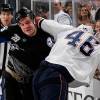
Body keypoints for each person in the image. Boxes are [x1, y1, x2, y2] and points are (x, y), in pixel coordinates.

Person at [32, 21, 100, 100]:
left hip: (39, 73)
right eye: (97, 27)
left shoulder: (69, 29)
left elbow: (39, 20)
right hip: (56, 77)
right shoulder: (97, 46)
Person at [0, 7, 56, 100]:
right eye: (22, 24)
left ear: (34, 20)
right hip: (10, 77)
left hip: (32, 81)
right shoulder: (12, 30)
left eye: (27, 22)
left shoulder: (46, 37)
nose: (26, 26)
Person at [0, 4, 14, 100]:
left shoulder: (17, 30)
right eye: (4, 14)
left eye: (8, 14)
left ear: (12, 16)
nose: (6, 17)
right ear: (0, 15)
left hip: (12, 73)